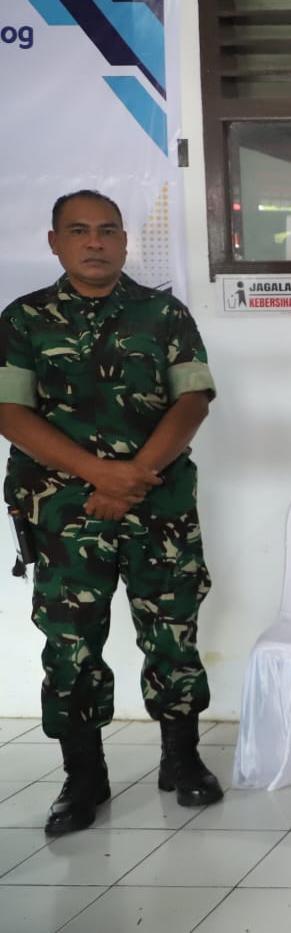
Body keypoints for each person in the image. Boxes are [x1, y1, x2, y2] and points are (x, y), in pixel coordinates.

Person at [0, 190, 224, 837]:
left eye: (107, 230)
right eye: (78, 231)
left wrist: (134, 477)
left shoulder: (164, 313)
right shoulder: (23, 319)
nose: (94, 242)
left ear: (125, 242)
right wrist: (101, 474)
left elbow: (193, 400)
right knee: (70, 645)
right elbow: (10, 412)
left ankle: (181, 758)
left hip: (159, 507)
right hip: (63, 513)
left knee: (172, 632)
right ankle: (84, 776)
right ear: (55, 243)